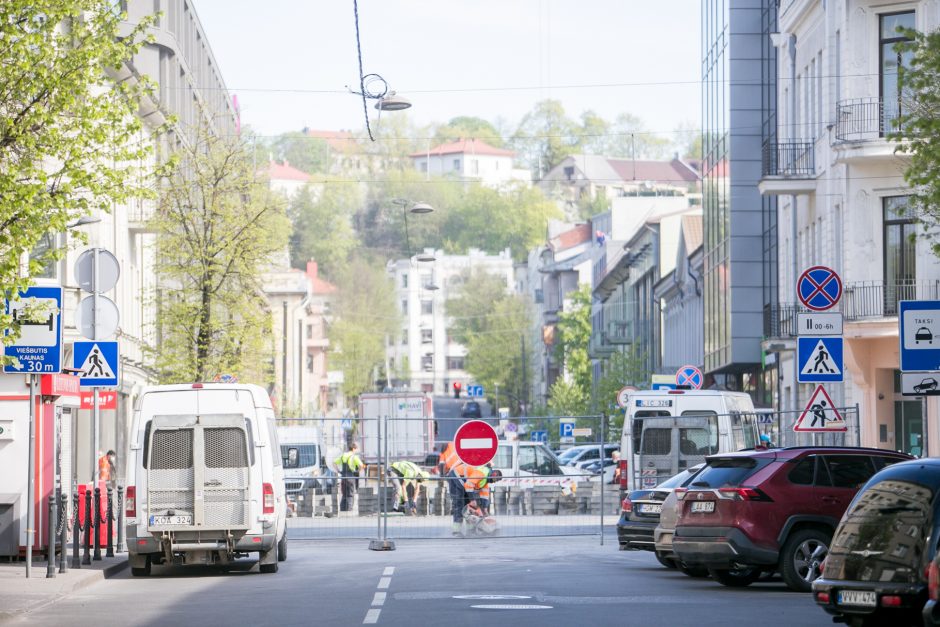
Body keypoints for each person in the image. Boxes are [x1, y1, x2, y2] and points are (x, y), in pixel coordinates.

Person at [334, 443, 364, 512]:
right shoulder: (354, 457)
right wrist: (357, 471)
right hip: (350, 477)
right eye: (356, 449)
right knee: (350, 494)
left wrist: (338, 471)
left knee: (344, 494)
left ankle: (342, 511)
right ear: (353, 449)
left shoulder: (343, 455)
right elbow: (361, 466)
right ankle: (349, 511)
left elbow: (334, 463)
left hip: (343, 476)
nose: (356, 451)